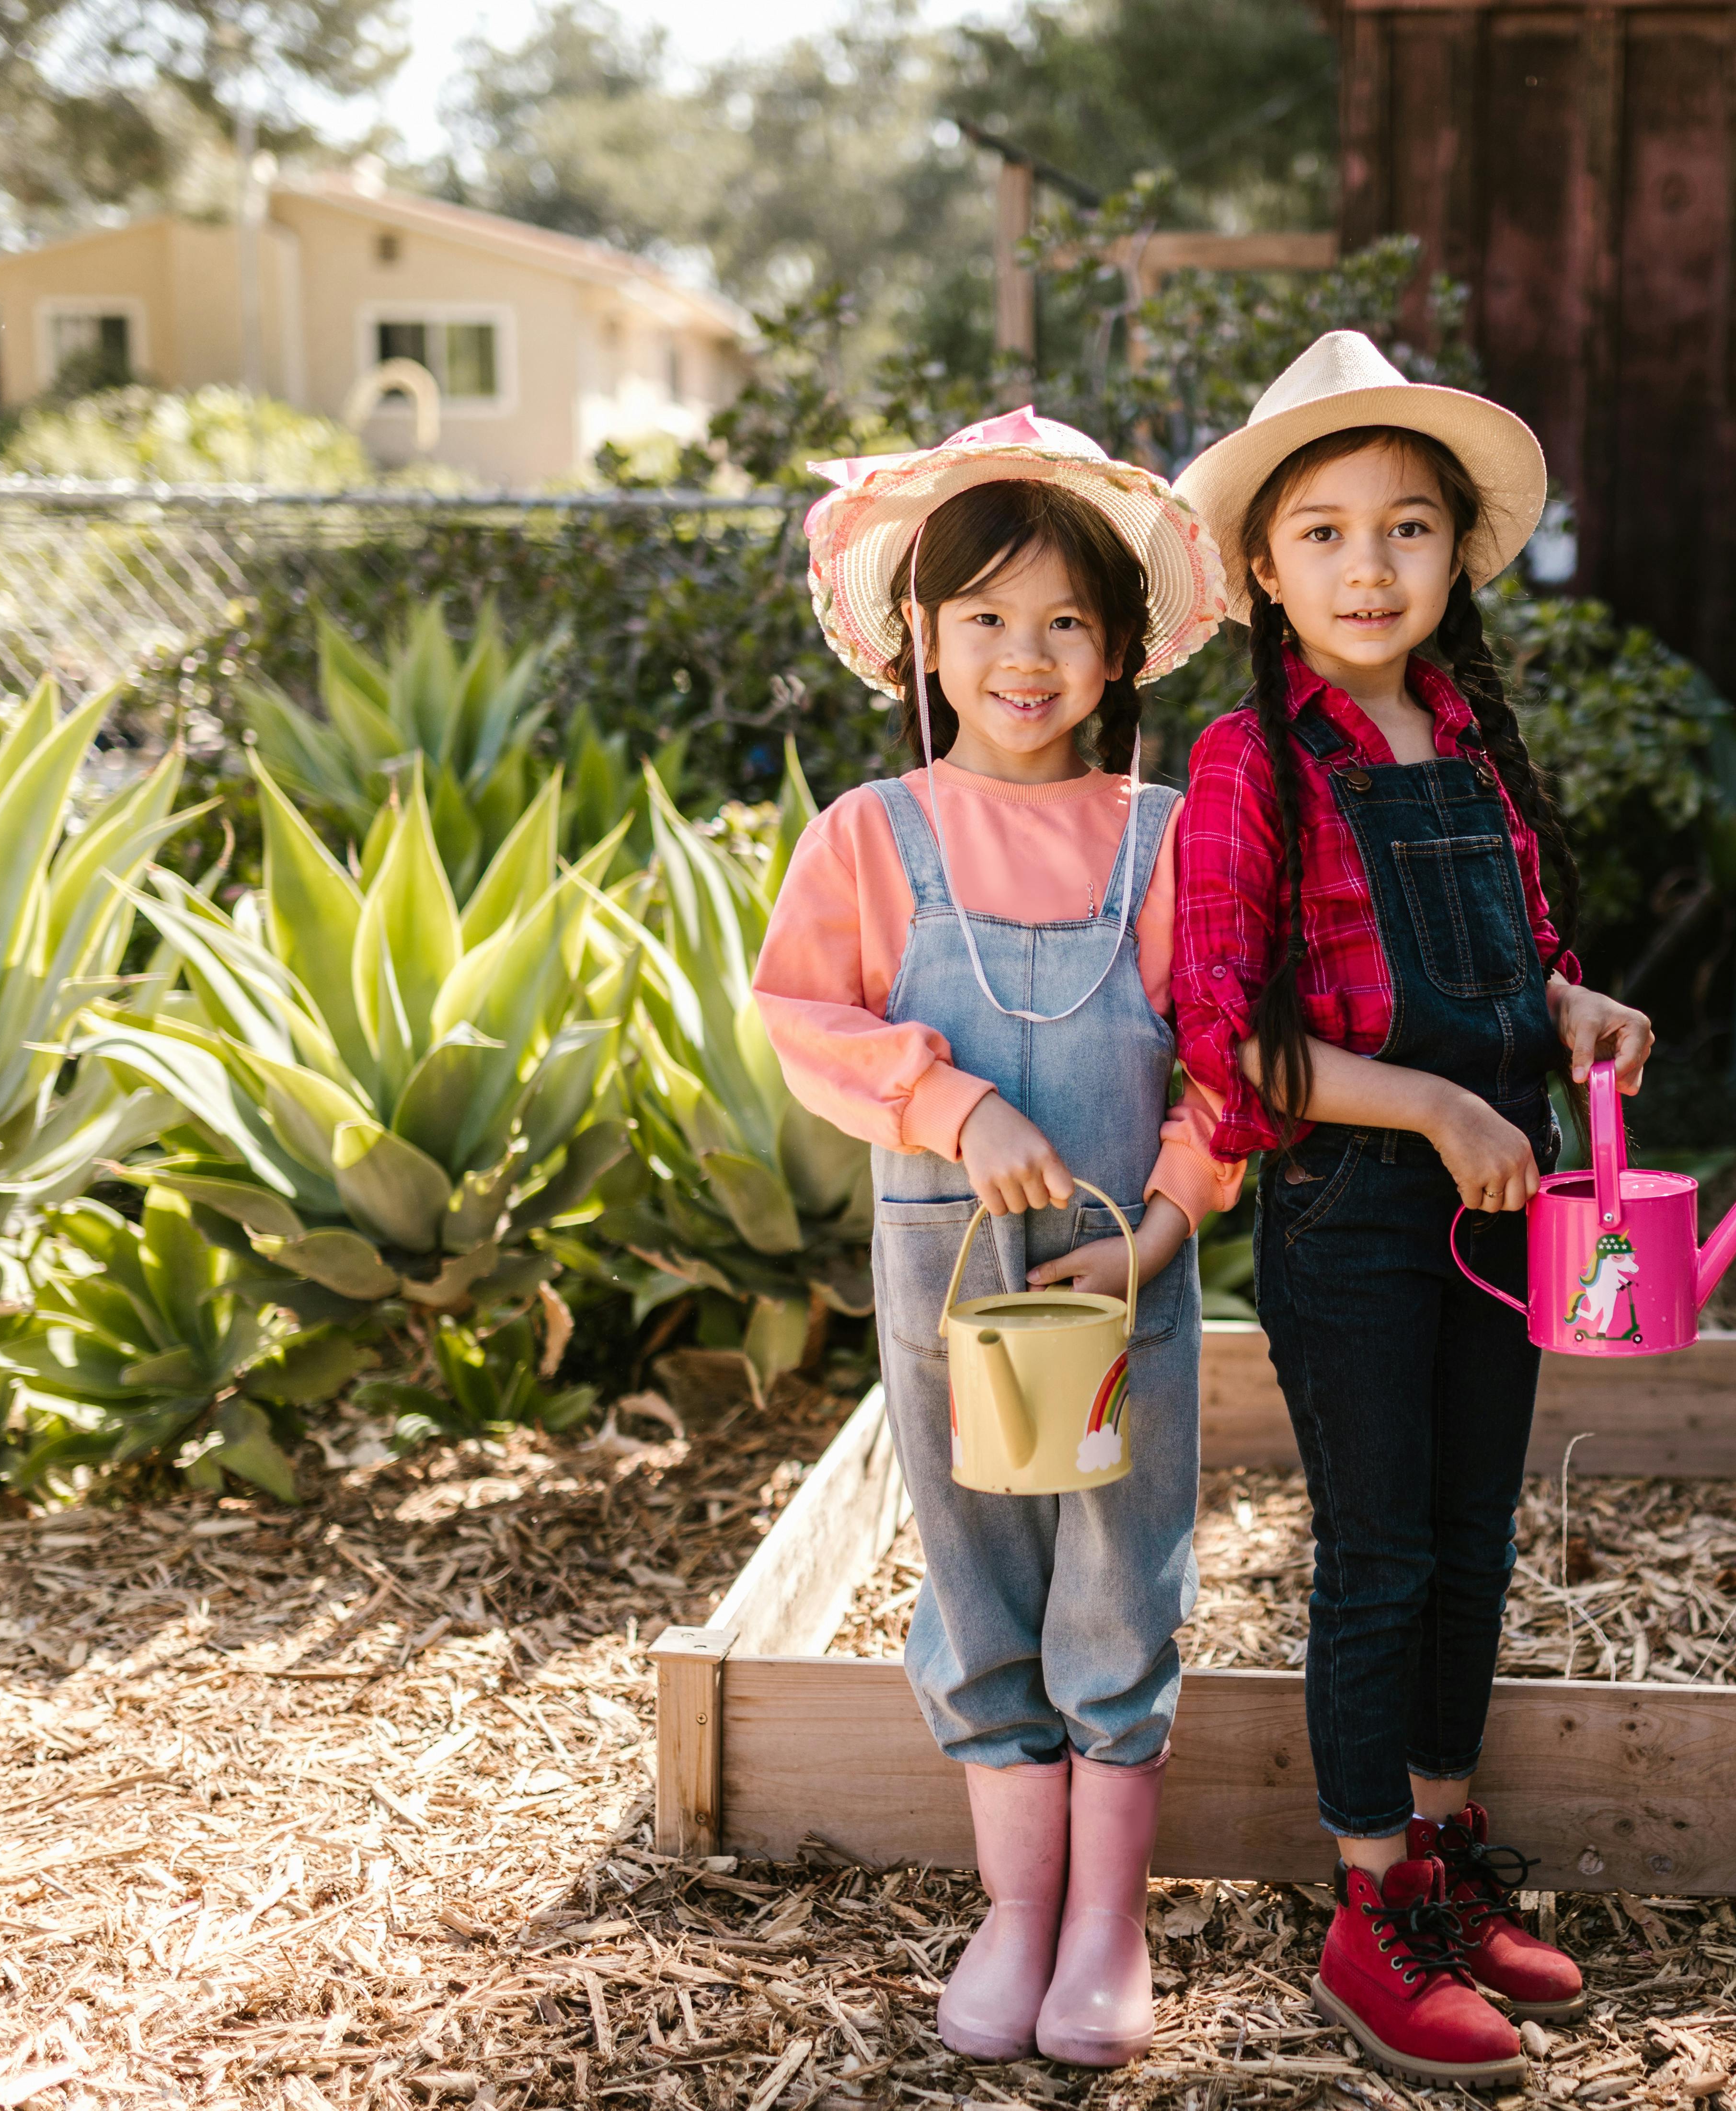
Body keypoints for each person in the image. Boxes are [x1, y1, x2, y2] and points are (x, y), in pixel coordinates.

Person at [1171, 332, 1655, 2088]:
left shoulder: (1468, 739)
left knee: (1472, 1540)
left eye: (1407, 530)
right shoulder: (1250, 764)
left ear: (1459, 556)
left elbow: (1514, 969)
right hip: (1355, 1216)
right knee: (1379, 1556)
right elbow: (1230, 1043)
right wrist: (1440, 1103)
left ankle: (1446, 1860)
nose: (1368, 567)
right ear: (1262, 568)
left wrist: (1571, 1013)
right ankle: (1368, 1905)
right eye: (1323, 533)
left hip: (1499, 1195)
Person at [753, 407, 1234, 2069]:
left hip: (1125, 1292)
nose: (1025, 659)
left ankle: (1107, 1922)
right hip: (946, 1285)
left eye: (1066, 623)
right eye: (986, 622)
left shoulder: (1169, 840)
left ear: (1118, 651)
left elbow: (1232, 1069)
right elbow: (802, 1017)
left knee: (1118, 1568)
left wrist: (1165, 1227)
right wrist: (957, 1109)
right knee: (971, 1565)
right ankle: (1015, 1908)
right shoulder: (871, 839)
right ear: (923, 640)